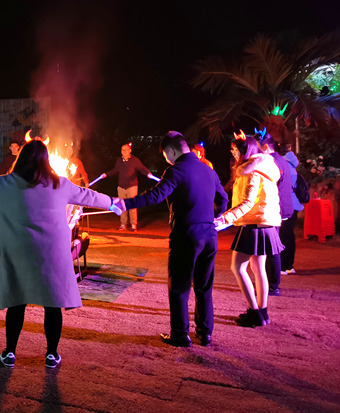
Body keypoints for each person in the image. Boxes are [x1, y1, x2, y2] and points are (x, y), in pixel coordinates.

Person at [0, 140, 121, 369]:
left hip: (19, 253)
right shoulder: (59, 185)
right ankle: (51, 354)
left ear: (21, 159)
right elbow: (88, 196)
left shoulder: (4, 184)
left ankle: (10, 353)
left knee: (17, 303)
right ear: (46, 162)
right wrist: (113, 202)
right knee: (52, 305)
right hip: (50, 255)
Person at [113, 132, 228, 347]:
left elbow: (155, 196)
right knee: (204, 286)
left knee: (179, 285)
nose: (167, 160)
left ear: (172, 152)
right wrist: (213, 216)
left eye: (166, 156)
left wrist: (126, 204)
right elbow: (223, 198)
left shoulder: (176, 171)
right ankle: (205, 332)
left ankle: (180, 334)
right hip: (209, 236)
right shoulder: (208, 170)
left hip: (186, 235)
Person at [214, 135, 283, 328]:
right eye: (232, 150)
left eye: (236, 150)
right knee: (258, 268)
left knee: (238, 267)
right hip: (265, 222)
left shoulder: (251, 171)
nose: (233, 154)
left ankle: (255, 312)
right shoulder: (264, 167)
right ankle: (263, 312)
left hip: (254, 223)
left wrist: (224, 219)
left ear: (246, 152)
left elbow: (247, 202)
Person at [256, 131, 294, 297]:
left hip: (275, 209)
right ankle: (271, 284)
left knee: (272, 249)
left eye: (257, 148)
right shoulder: (281, 160)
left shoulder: (270, 161)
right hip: (282, 208)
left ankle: (272, 286)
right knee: (273, 247)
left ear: (265, 147)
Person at [105, 143, 155, 231]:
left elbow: (142, 168)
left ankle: (133, 225)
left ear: (130, 151)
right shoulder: (119, 160)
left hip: (132, 186)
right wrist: (106, 174)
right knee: (122, 206)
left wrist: (148, 173)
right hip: (121, 187)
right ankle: (123, 224)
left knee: (132, 206)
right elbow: (115, 170)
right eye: (122, 150)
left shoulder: (135, 160)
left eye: (126, 149)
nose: (124, 151)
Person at [281, 144, 303, 274]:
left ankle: (284, 266)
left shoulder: (283, 165)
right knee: (288, 235)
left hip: (287, 204)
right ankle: (288, 266)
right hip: (294, 204)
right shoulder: (291, 163)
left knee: (284, 235)